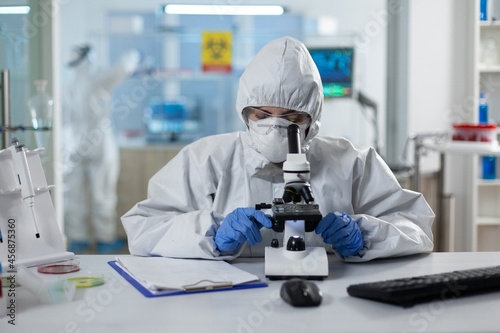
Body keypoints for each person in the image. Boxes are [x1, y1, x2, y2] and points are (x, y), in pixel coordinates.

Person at [121, 36, 434, 262]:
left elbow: (416, 227)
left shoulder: (353, 162)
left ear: (313, 119)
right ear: (244, 113)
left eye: (291, 118)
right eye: (261, 115)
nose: (274, 128)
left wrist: (364, 235)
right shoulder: (205, 159)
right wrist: (209, 234)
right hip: (225, 304)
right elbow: (143, 228)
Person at [62, 45, 140, 254]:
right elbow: (123, 68)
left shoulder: (65, 82)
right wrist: (134, 53)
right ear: (89, 58)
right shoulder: (95, 78)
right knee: (102, 190)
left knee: (73, 193)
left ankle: (76, 238)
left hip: (71, 139)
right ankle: (104, 239)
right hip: (98, 137)